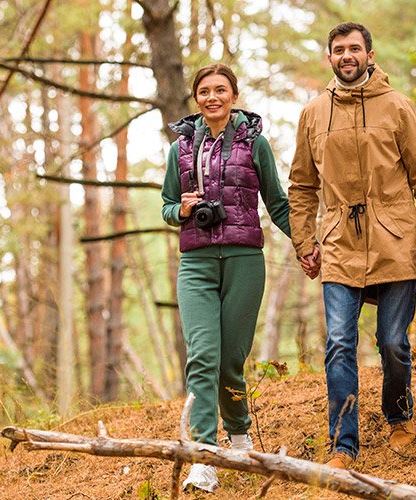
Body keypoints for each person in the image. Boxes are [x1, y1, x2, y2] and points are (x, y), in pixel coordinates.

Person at [288, 22, 416, 469]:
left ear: (370, 55)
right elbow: (301, 186)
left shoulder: (398, 107)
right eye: (338, 49)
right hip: (340, 242)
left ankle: (399, 417)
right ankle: (343, 443)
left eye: (354, 48)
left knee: (393, 341)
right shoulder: (313, 113)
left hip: (394, 239)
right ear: (329, 58)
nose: (347, 56)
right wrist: (305, 240)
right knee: (340, 342)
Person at [161, 63, 292, 491]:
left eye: (221, 90)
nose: (212, 97)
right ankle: (204, 455)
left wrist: (308, 245)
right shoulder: (179, 147)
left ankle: (239, 436)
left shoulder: (257, 144)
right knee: (203, 356)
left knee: (230, 362)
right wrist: (179, 209)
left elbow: (277, 202)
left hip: (244, 260)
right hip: (196, 262)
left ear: (234, 95)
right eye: (204, 91)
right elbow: (165, 206)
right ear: (195, 98)